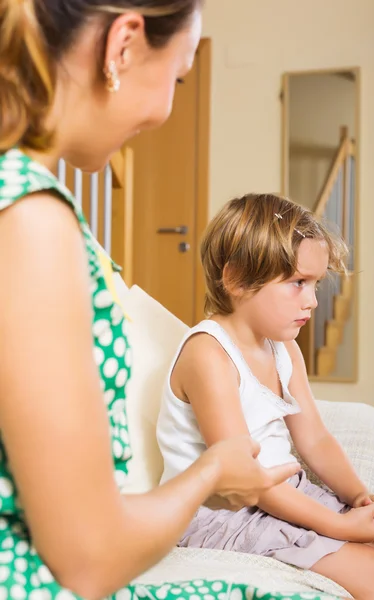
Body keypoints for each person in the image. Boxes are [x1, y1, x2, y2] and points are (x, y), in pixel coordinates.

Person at [0, 2, 320, 600]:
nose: (169, 110)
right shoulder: (33, 221)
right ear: (122, 46)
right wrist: (212, 474)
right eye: (177, 78)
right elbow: (91, 560)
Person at [157, 193, 374, 600]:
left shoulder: (284, 349)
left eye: (315, 284)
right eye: (298, 282)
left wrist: (358, 496)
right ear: (236, 279)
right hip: (223, 510)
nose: (313, 300)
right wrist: (338, 527)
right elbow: (241, 481)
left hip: (282, 492)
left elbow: (314, 439)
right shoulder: (208, 355)